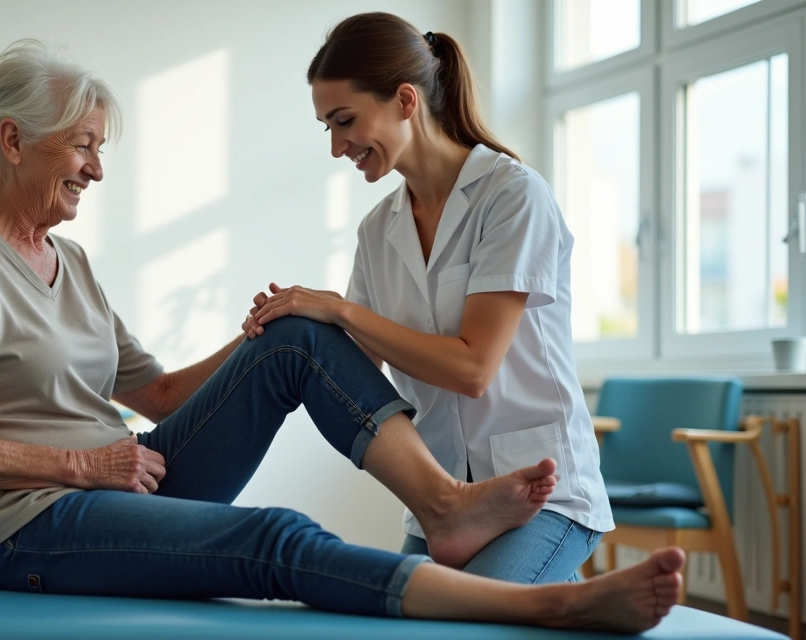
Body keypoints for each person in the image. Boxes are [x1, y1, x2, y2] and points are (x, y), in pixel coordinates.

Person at [0, 40, 682, 633]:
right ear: (17, 141)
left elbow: (160, 394)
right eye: (83, 144)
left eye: (100, 147)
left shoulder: (72, 260)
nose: (96, 168)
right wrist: (78, 462)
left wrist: (276, 327)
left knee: (300, 336)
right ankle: (560, 600)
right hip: (27, 525)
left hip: (118, 482)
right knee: (273, 535)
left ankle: (444, 507)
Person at [246, 12, 612, 584]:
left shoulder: (512, 196)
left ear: (406, 101)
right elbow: (358, 375)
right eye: (328, 128)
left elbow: (472, 368)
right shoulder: (379, 228)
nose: (339, 146)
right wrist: (289, 329)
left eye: (346, 121)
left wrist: (339, 309)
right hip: (441, 502)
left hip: (540, 492)